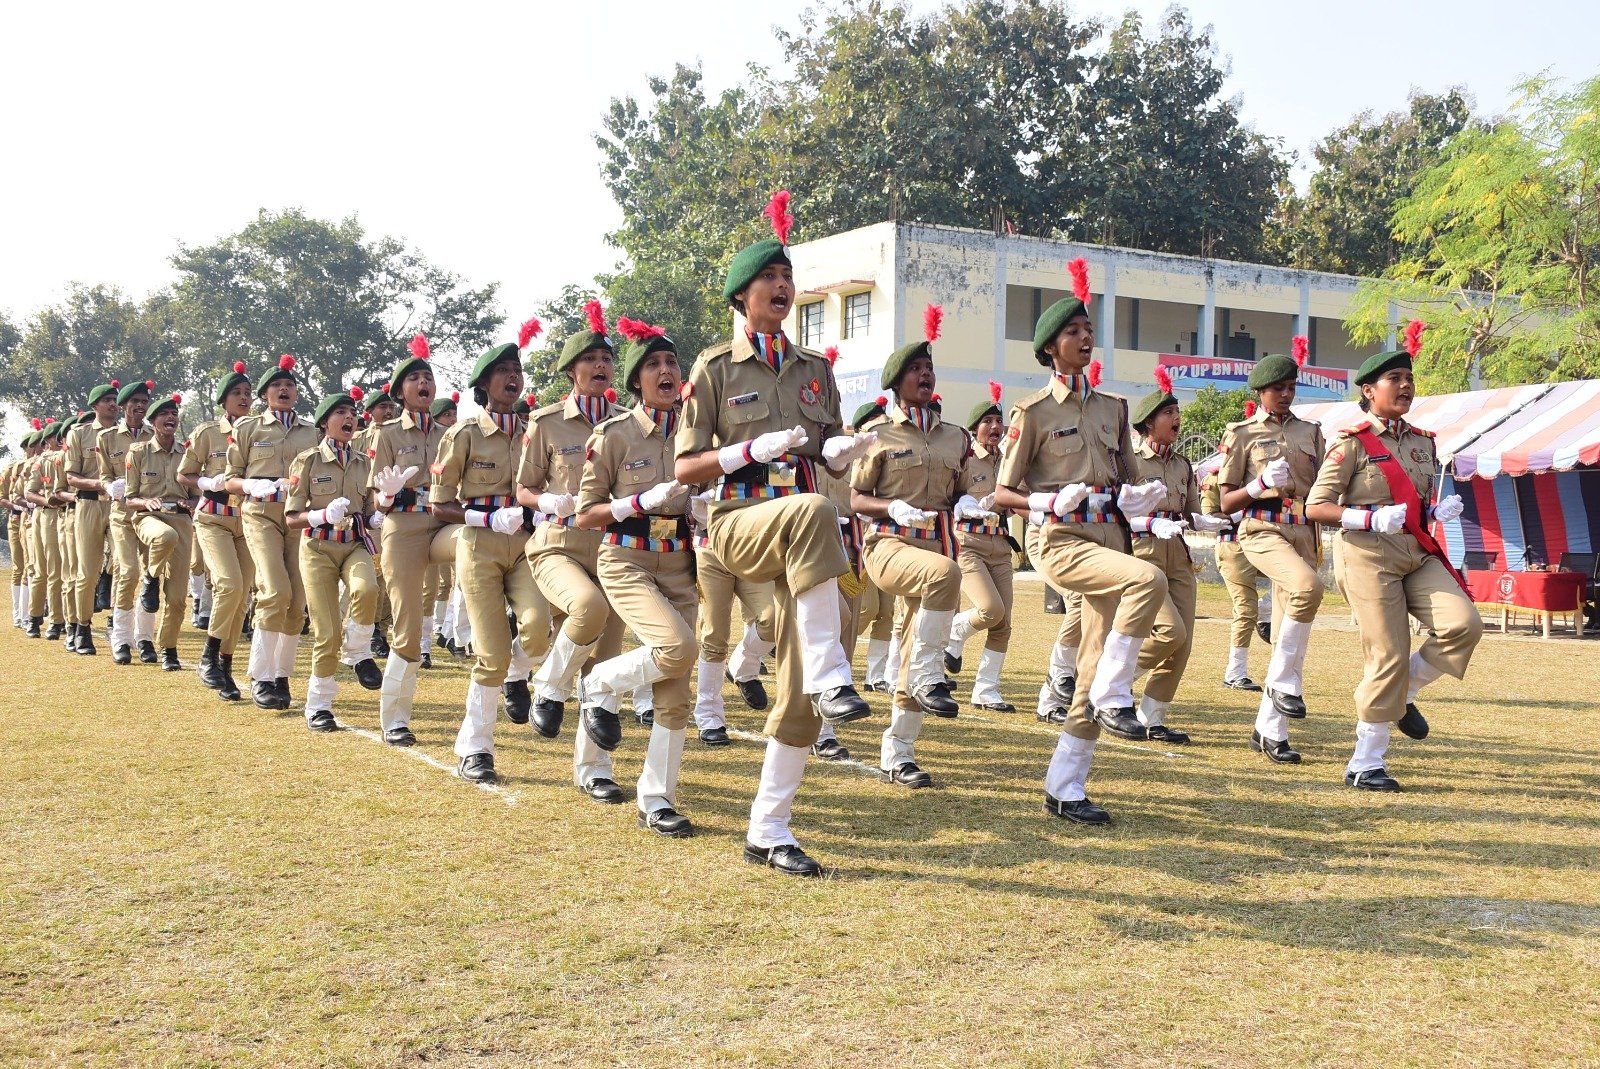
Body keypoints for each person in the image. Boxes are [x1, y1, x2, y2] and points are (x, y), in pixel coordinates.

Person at [674, 191, 876, 876]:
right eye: (770, 279)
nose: (783, 288)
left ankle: (769, 827)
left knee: (797, 683)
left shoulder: (815, 368)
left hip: (803, 536)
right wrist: (746, 453)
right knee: (815, 514)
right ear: (741, 296)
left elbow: (826, 445)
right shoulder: (713, 368)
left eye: (788, 278)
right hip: (737, 523)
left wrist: (839, 451)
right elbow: (686, 464)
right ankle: (831, 673)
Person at [991, 258, 1176, 824]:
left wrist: (1141, 500)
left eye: (1087, 330)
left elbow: (1125, 475)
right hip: (1062, 540)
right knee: (1149, 579)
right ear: (1050, 347)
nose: (1084, 338)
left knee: (1092, 668)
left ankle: (1065, 787)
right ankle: (1116, 695)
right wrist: (1045, 503)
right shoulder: (1033, 412)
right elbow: (1002, 493)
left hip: (1109, 538)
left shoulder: (1114, 408)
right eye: (1072, 332)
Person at [1305, 325, 1482, 790]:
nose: (1406, 385)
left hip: (1415, 552)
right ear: (1369, 391)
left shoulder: (1424, 442)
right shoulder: (1351, 443)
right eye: (1394, 379)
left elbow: (1415, 501)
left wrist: (1434, 509)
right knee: (1388, 651)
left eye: (1409, 377)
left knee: (1464, 624)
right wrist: (1367, 520)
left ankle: (1405, 690)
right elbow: (1316, 506)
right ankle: (1366, 762)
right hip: (1367, 555)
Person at [571, 317, 698, 835]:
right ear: (636, 381)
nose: (665, 370)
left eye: (671, 362)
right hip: (627, 559)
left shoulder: (698, 430)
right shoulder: (615, 435)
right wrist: (639, 501)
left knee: (675, 694)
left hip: (681, 563)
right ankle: (598, 682)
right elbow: (586, 514)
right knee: (677, 648)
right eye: (653, 365)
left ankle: (655, 798)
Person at [851, 304, 982, 789]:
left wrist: (969, 500)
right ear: (896, 382)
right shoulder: (877, 435)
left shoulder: (955, 437)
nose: (925, 375)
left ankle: (898, 752)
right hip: (889, 545)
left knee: (910, 645)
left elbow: (966, 487)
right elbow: (856, 496)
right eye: (915, 370)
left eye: (929, 369)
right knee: (944, 581)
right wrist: (889, 508)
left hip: (937, 546)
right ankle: (932, 672)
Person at [517, 306, 626, 801]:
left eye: (607, 357)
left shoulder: (629, 425)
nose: (601, 365)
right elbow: (522, 487)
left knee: (604, 664)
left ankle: (594, 770)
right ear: (570, 372)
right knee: (588, 608)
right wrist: (544, 500)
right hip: (557, 545)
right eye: (590, 359)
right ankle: (550, 684)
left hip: (613, 551)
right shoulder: (545, 424)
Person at [432, 339, 548, 784]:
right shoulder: (462, 435)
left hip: (525, 544)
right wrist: (486, 516)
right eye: (501, 370)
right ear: (483, 383)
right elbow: (440, 505)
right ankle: (474, 747)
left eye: (516, 368)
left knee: (538, 629)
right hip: (479, 545)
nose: (512, 376)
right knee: (491, 654)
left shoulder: (534, 430)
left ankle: (519, 674)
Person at [1217, 337, 1325, 764]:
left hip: (1304, 532)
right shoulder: (1241, 435)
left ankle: (1269, 731)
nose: (1285, 393)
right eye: (1277, 386)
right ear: (1259, 392)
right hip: (1262, 528)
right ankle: (1283, 688)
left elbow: (1324, 488)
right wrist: (1258, 485)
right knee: (1307, 588)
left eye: (1291, 385)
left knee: (1288, 640)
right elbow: (1226, 502)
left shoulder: (1311, 432)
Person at [1120, 368, 1231, 742]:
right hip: (1144, 553)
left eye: (1178, 413)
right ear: (1149, 422)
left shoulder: (1183, 464)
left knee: (1183, 642)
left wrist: (1208, 521)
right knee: (1169, 631)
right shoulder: (1131, 462)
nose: (1177, 419)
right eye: (1169, 414)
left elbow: (1189, 511)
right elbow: (1121, 511)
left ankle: (1152, 717)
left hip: (1179, 555)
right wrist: (1149, 524)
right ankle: (1111, 682)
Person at [367, 336, 457, 744]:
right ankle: (395, 718)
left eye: (429, 377)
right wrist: (386, 494)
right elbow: (376, 497)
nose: (425, 384)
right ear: (400, 390)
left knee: (474, 543)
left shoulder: (450, 434)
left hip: (440, 524)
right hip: (402, 529)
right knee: (405, 625)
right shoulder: (385, 434)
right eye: (416, 378)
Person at [226, 355, 321, 710]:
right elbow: (229, 478)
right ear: (265, 394)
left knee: (297, 602)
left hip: (297, 519)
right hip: (260, 515)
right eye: (277, 386)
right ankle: (260, 677)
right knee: (275, 591)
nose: (284, 390)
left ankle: (281, 675)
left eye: (290, 385)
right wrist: (252, 484)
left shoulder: (312, 432)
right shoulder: (248, 429)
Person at [287, 389, 384, 732]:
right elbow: (291, 517)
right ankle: (319, 705)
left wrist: (375, 518)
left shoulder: (363, 461)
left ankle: (356, 651)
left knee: (368, 589)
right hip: (318, 550)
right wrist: (319, 515)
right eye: (341, 412)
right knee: (326, 633)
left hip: (354, 545)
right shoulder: (308, 461)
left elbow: (370, 508)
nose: (349, 418)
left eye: (352, 412)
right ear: (325, 422)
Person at [180, 361, 256, 700]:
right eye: (236, 393)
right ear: (223, 400)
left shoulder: (259, 430)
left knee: (242, 597)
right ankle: (208, 655)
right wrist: (206, 483)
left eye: (247, 393)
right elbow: (184, 475)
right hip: (213, 518)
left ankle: (224, 666)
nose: (243, 398)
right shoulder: (207, 433)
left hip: (250, 521)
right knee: (228, 584)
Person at [944, 380, 1019, 711]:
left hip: (1001, 545)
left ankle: (986, 690)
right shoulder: (964, 459)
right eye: (987, 422)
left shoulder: (1008, 461)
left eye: (998, 422)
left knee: (1003, 624)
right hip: (969, 543)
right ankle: (955, 632)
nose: (994, 427)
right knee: (990, 609)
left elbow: (1018, 494)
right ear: (975, 429)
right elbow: (949, 496)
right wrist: (965, 502)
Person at [124, 393, 197, 671]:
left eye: (174, 414)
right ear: (152, 421)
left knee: (178, 597)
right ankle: (151, 577)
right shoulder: (138, 452)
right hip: (148, 517)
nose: (170, 418)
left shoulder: (187, 453)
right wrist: (147, 501)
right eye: (164, 414)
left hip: (181, 520)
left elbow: (196, 495)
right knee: (165, 537)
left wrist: (190, 503)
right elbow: (129, 498)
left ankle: (168, 648)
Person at [1201, 461, 1264, 690]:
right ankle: (1235, 672)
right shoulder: (1215, 477)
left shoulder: (1259, 473)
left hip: (1265, 542)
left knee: (1296, 580)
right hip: (1234, 545)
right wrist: (1241, 514)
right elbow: (1210, 518)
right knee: (1246, 609)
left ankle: (1266, 610)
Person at [67, 391, 120, 656]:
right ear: (94, 405)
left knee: (123, 565)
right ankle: (82, 627)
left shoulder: (125, 434)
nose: (113, 404)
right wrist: (100, 483)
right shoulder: (79, 434)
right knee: (87, 572)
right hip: (88, 505)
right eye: (107, 400)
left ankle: (117, 622)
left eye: (115, 399)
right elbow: (72, 477)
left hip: (119, 505)